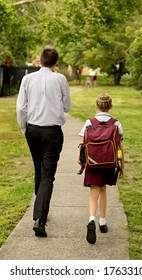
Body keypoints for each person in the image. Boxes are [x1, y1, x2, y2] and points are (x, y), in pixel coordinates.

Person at [16, 48, 71, 237]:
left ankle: (39, 211)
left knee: (39, 171)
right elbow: (67, 106)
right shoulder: (60, 79)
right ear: (56, 62)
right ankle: (40, 219)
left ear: (40, 61)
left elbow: (21, 108)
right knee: (48, 175)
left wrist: (24, 128)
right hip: (52, 132)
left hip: (32, 130)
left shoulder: (27, 79)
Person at [79, 93, 124, 244]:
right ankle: (102, 222)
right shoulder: (116, 124)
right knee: (103, 189)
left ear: (96, 106)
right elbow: (119, 147)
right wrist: (121, 166)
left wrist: (81, 161)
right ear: (110, 106)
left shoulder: (89, 122)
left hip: (93, 162)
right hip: (109, 163)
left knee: (94, 192)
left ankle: (91, 218)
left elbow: (83, 144)